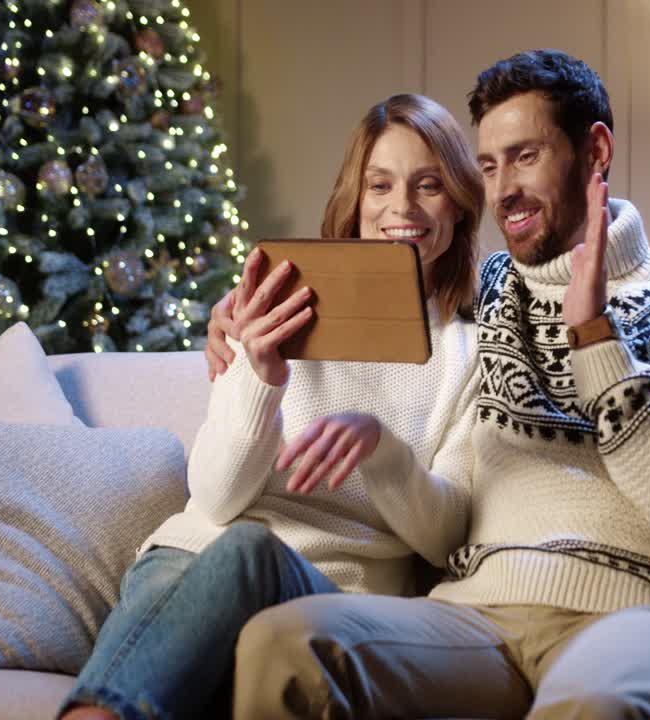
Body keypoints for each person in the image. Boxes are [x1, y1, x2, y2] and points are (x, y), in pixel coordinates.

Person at [231, 50, 650, 719]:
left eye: (526, 157)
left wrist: (596, 337)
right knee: (285, 645)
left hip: (645, 613)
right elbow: (353, 291)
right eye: (488, 166)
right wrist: (235, 319)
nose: (502, 189)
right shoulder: (485, 296)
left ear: (596, 152)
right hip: (482, 611)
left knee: (594, 706)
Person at [57, 93, 484, 720]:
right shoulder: (273, 304)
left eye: (429, 185)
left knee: (251, 550)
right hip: (190, 561)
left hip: (326, 594)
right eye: (380, 185)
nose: (402, 207)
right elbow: (214, 500)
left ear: (460, 202)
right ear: (355, 199)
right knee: (236, 547)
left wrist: (380, 447)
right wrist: (260, 378)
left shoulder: (468, 351)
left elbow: (446, 538)